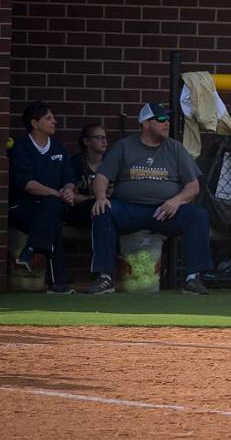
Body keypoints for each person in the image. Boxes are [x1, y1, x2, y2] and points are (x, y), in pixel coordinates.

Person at [86, 102, 212, 295]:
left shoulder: (175, 148)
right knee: (103, 211)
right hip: (129, 209)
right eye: (161, 119)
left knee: (198, 215)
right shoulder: (124, 146)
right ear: (146, 123)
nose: (167, 123)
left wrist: (176, 201)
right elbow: (102, 177)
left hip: (164, 211)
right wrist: (101, 197)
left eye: (168, 119)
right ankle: (105, 277)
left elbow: (193, 186)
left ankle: (193, 278)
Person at [7, 101, 76, 294]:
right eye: (49, 118)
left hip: (51, 206)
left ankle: (30, 251)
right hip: (22, 207)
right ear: (35, 123)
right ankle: (58, 283)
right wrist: (58, 194)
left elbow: (69, 178)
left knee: (51, 212)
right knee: (51, 217)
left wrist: (69, 190)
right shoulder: (21, 147)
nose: (54, 121)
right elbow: (27, 184)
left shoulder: (58, 147)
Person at [66, 123, 108, 228]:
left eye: (105, 137)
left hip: (105, 209)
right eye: (98, 137)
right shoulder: (75, 163)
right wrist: (93, 198)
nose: (104, 141)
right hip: (80, 211)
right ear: (86, 141)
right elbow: (71, 197)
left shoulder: (110, 162)